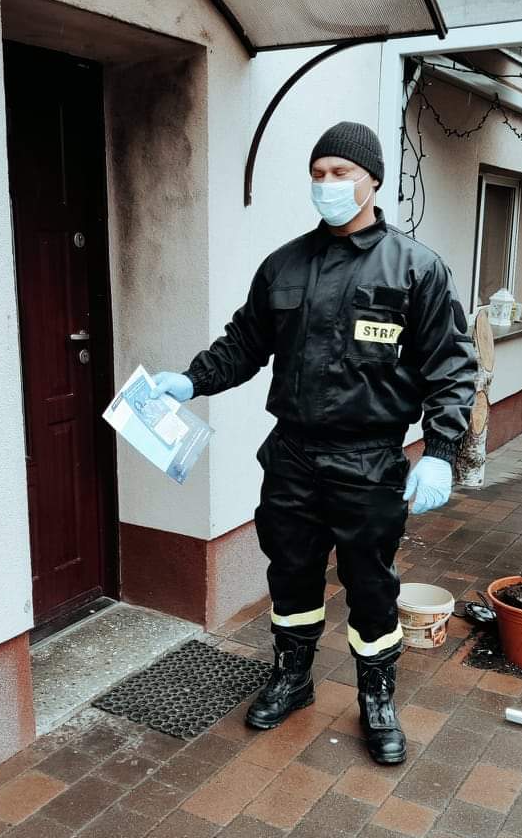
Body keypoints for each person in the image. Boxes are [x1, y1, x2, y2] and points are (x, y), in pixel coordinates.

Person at [152, 122, 476, 764]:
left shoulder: (414, 268)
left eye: (341, 173)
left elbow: (451, 366)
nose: (327, 184)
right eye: (318, 173)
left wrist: (440, 451)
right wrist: (191, 380)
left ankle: (376, 698)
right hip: (293, 456)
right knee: (291, 573)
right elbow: (244, 344)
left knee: (371, 585)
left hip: (369, 459)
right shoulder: (285, 265)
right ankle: (292, 677)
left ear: (372, 180)